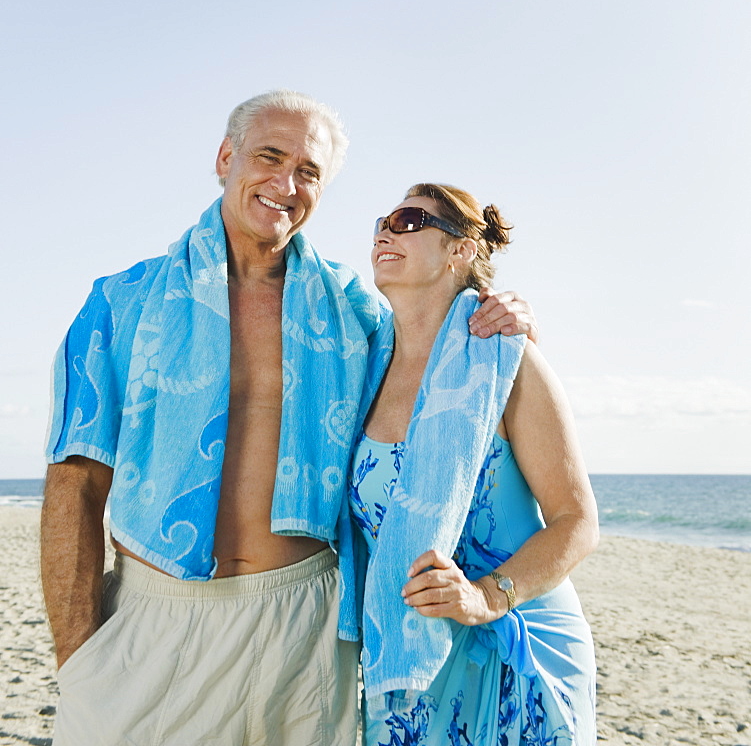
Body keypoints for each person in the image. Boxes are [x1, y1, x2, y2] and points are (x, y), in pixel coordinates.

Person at [40, 91, 538, 746]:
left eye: (308, 172)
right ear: (226, 158)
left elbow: (439, 356)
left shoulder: (353, 309)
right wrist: (77, 657)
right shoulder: (121, 302)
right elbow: (75, 485)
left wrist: (501, 315)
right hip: (156, 621)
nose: (285, 183)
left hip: (304, 625)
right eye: (269, 157)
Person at [345, 183, 598, 746]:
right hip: (409, 660)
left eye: (410, 220)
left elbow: (578, 522)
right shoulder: (363, 366)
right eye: (384, 220)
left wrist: (485, 596)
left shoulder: (506, 359)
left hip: (518, 649)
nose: (387, 230)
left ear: (459, 250)